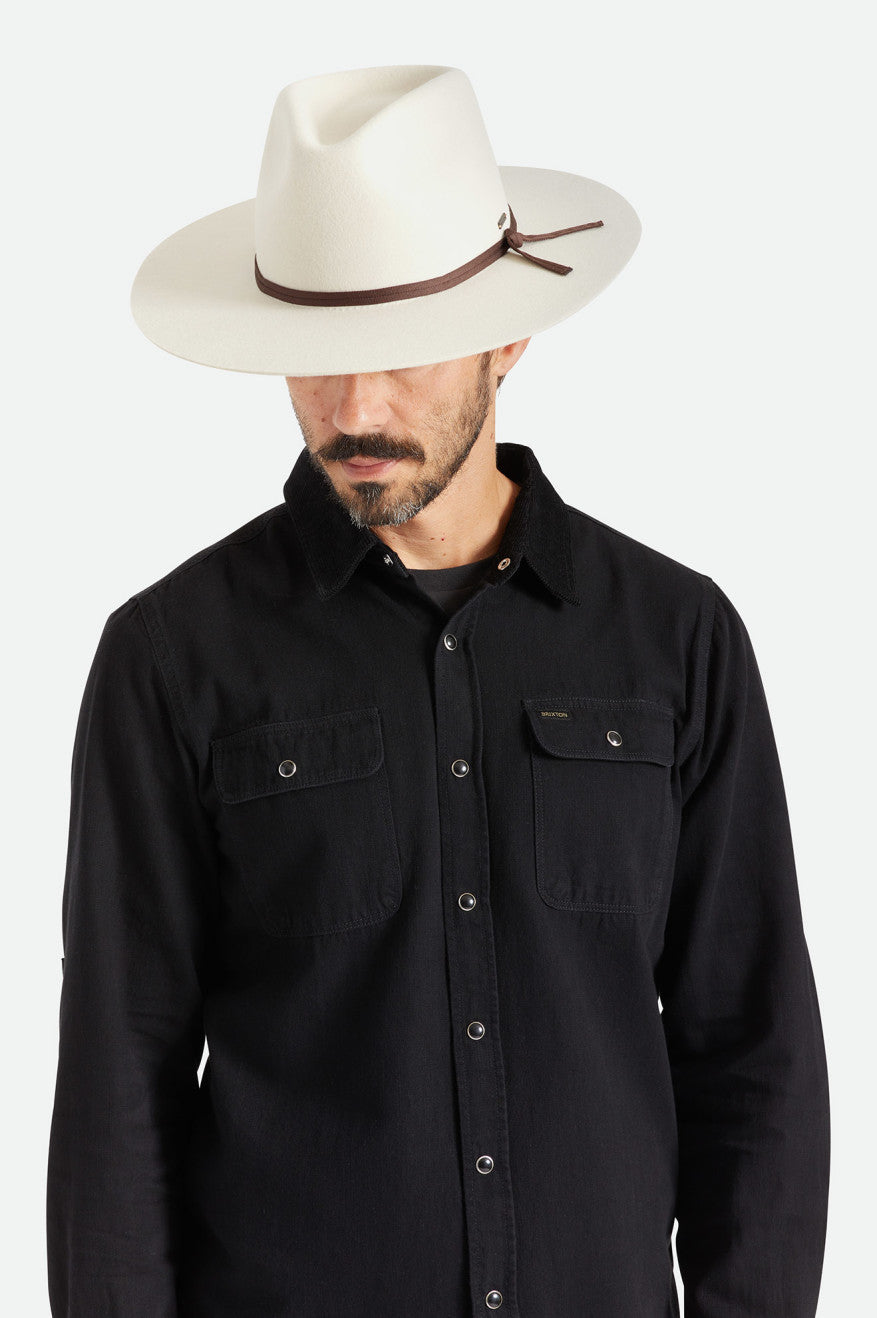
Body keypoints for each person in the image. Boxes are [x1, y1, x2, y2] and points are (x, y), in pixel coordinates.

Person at [46, 64, 830, 1317]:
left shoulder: (677, 640)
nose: (356, 408)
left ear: (508, 336)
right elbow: (117, 1079)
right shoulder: (171, 656)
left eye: (400, 353)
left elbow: (754, 1052)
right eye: (316, 356)